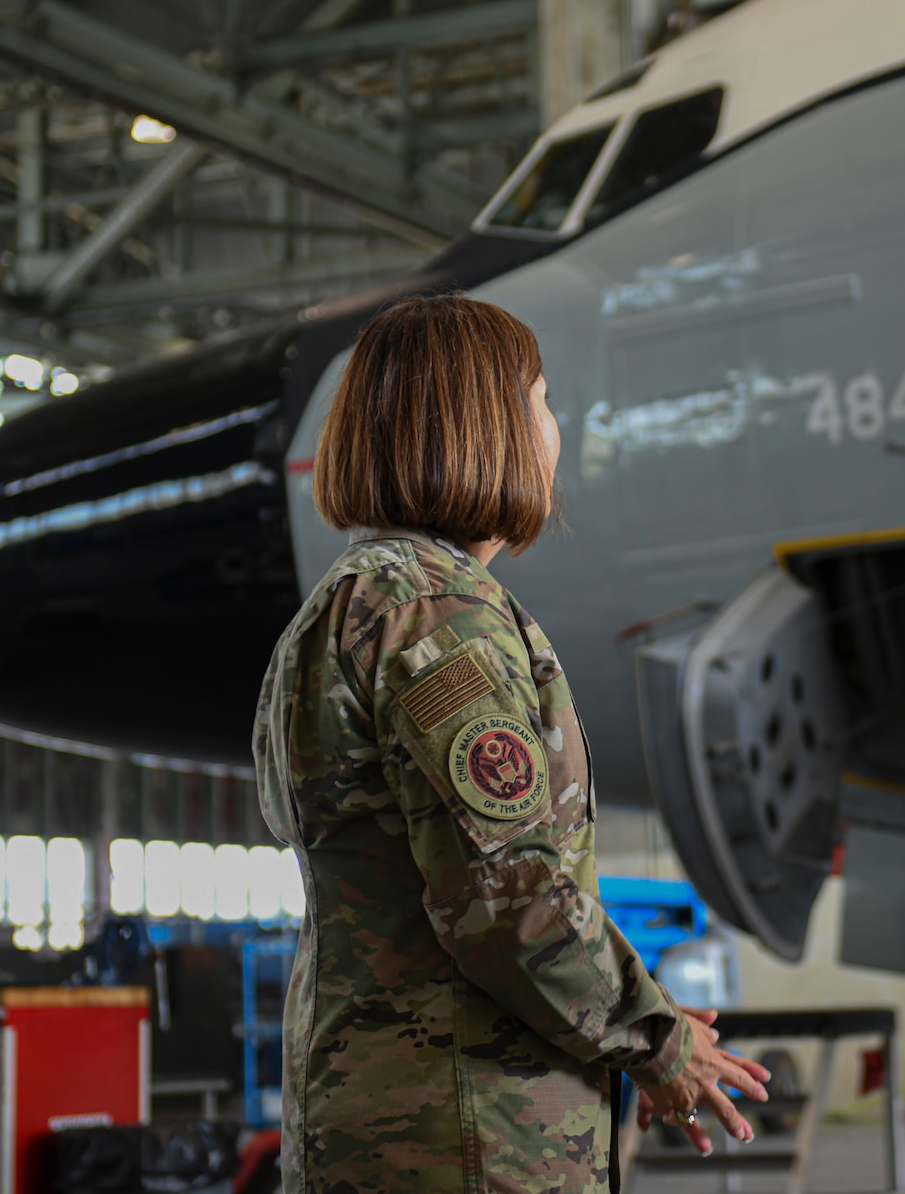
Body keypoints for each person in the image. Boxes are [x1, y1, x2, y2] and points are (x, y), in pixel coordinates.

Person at [252, 294, 768, 1193]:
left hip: (385, 1116)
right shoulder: (439, 614)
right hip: (466, 1138)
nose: (553, 429)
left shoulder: (342, 604)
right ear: (484, 424)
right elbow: (507, 894)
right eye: (541, 400)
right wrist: (657, 1041)